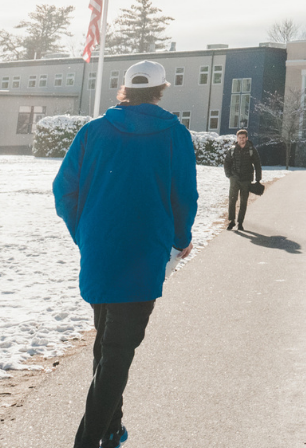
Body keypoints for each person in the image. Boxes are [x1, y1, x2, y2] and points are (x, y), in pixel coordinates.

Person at [54, 61, 198, 448]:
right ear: (159, 90)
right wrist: (181, 237)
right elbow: (184, 194)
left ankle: (113, 430)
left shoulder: (93, 131)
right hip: (144, 253)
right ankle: (88, 441)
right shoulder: (175, 134)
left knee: (107, 343)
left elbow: (64, 189)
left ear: (125, 89)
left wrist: (85, 233)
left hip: (101, 252)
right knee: (116, 351)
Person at [221, 127, 263, 231]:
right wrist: (229, 175)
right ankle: (231, 221)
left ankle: (240, 222)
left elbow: (257, 164)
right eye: (240, 138)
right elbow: (227, 163)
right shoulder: (232, 150)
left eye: (243, 137)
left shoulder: (251, 150)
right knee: (232, 200)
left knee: (243, 201)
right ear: (237, 138)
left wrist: (258, 179)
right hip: (234, 179)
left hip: (246, 179)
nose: (242, 139)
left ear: (247, 138)